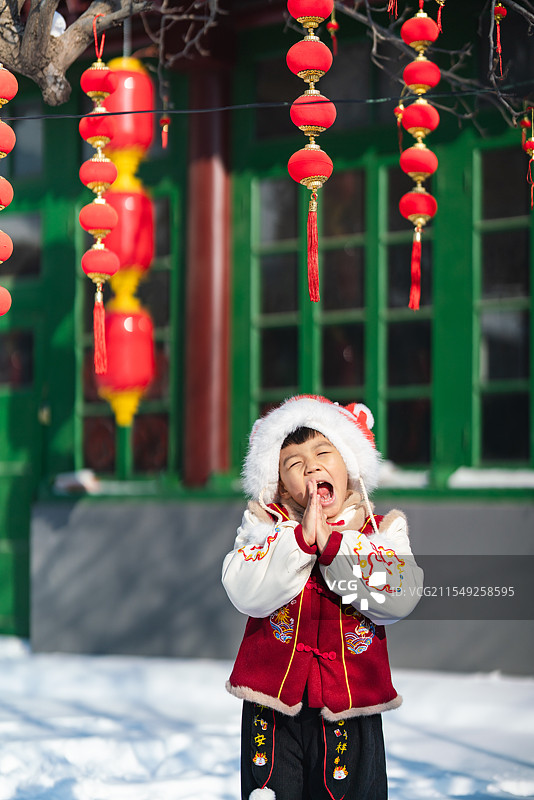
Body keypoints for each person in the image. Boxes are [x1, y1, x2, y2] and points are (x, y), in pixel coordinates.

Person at [222, 395, 423, 800]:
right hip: (272, 710)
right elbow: (244, 590)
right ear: (279, 483)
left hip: (351, 707)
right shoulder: (264, 529)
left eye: (323, 452)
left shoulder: (380, 534)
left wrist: (332, 546)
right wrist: (299, 542)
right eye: (294, 463)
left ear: (349, 465)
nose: (310, 465)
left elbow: (399, 597)